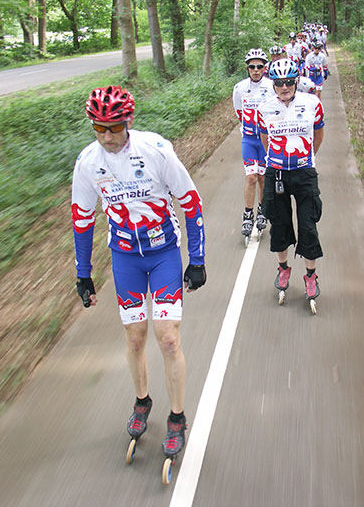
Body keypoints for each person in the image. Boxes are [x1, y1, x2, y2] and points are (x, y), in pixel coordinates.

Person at [71, 85, 206, 460]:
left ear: (127, 121)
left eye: (114, 127)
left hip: (163, 253)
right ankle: (142, 401)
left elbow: (190, 202)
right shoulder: (88, 163)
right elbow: (82, 220)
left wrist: (196, 259)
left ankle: (177, 417)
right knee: (134, 339)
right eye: (99, 128)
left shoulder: (155, 151)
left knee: (167, 339)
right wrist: (84, 274)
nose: (107, 136)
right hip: (126, 257)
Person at [258, 59, 325, 301]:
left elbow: (318, 136)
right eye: (279, 83)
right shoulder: (264, 108)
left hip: (304, 171)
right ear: (273, 84)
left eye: (288, 82)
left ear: (296, 81)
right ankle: (283, 269)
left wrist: (305, 160)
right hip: (276, 173)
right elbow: (265, 140)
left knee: (308, 225)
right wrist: (277, 161)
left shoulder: (312, 103)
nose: (284, 87)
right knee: (280, 224)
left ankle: (310, 275)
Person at [232, 48, 275, 238]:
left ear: (265, 68)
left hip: (266, 140)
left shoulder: (272, 85)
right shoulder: (239, 88)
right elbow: (239, 112)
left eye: (259, 66)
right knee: (251, 177)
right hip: (249, 139)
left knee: (263, 178)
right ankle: (248, 214)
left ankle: (262, 210)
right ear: (247, 68)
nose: (256, 70)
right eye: (252, 67)